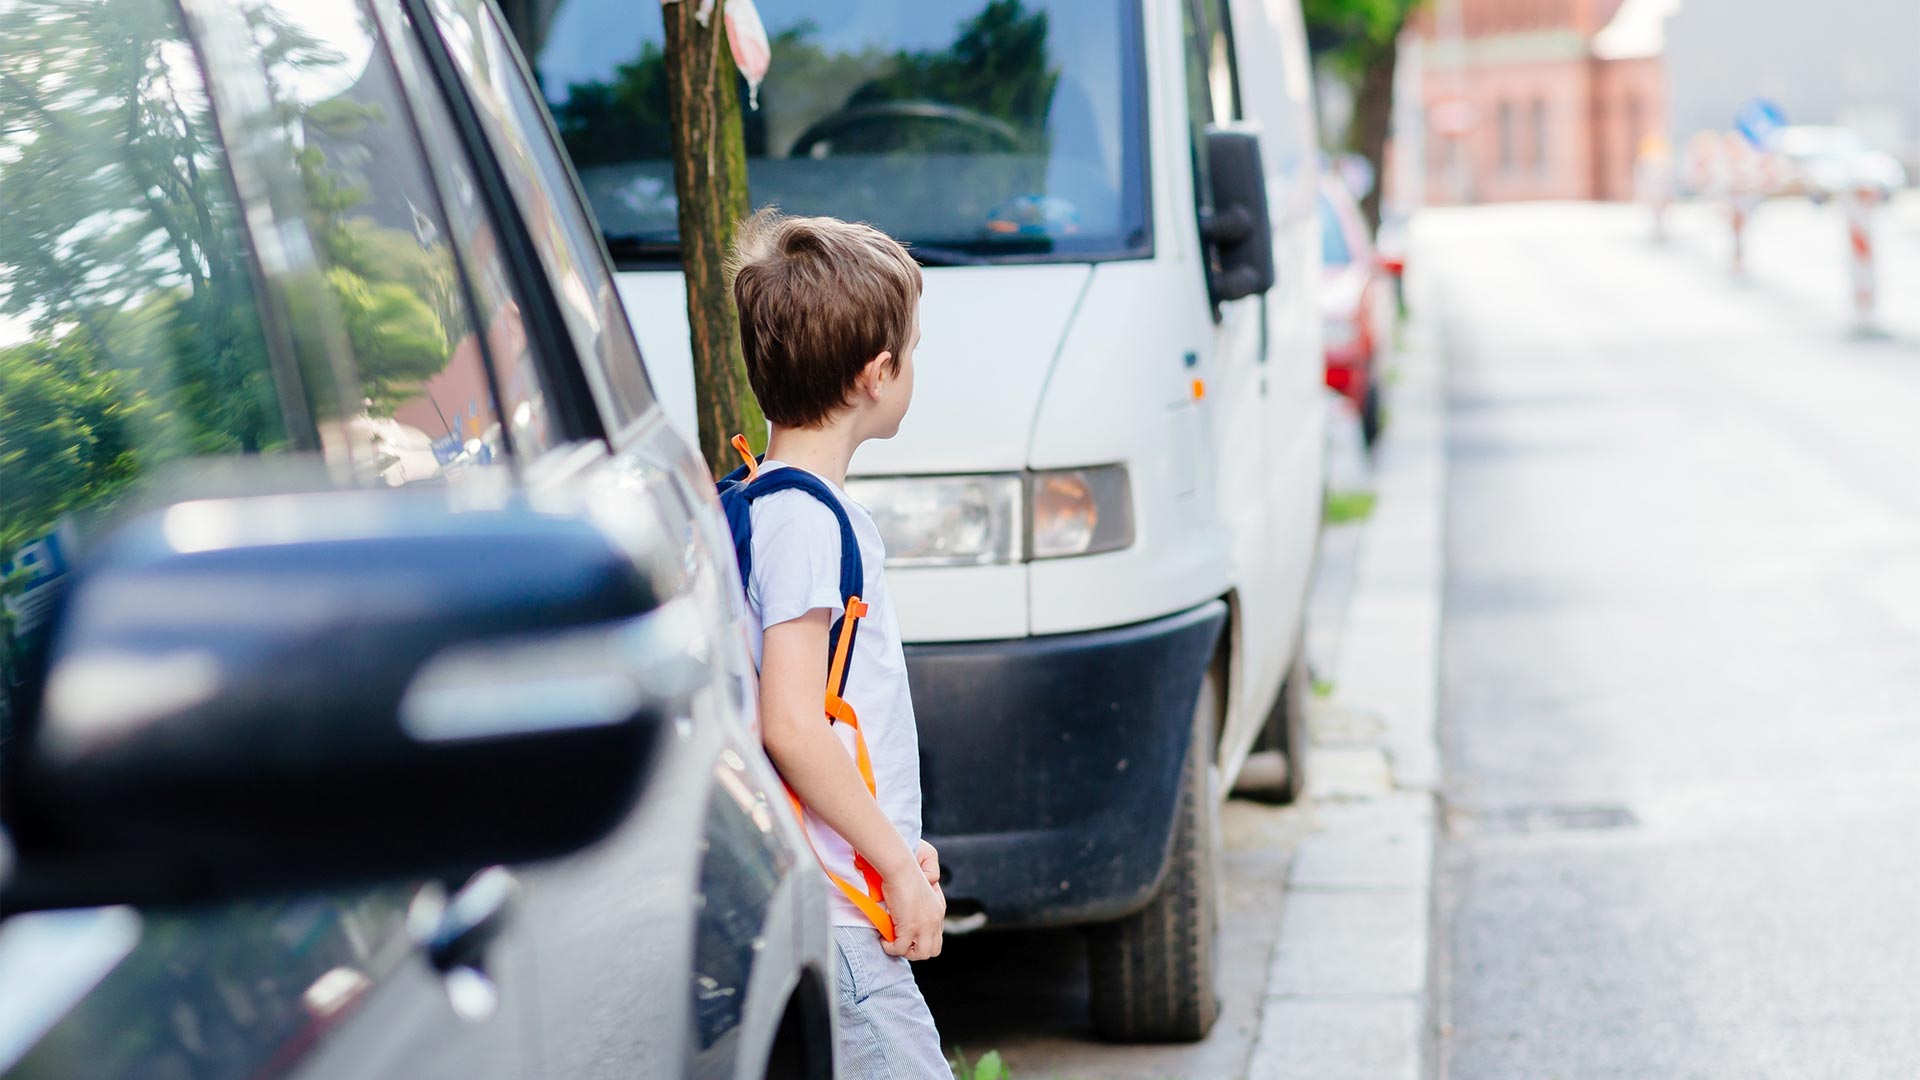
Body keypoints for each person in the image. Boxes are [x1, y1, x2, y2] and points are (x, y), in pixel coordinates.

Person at [730, 209, 949, 1076]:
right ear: (877, 374)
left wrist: (889, 840)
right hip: (840, 916)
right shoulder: (804, 525)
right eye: (913, 353)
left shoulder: (775, 503)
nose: (912, 371)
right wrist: (892, 864)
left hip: (841, 893)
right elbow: (792, 724)